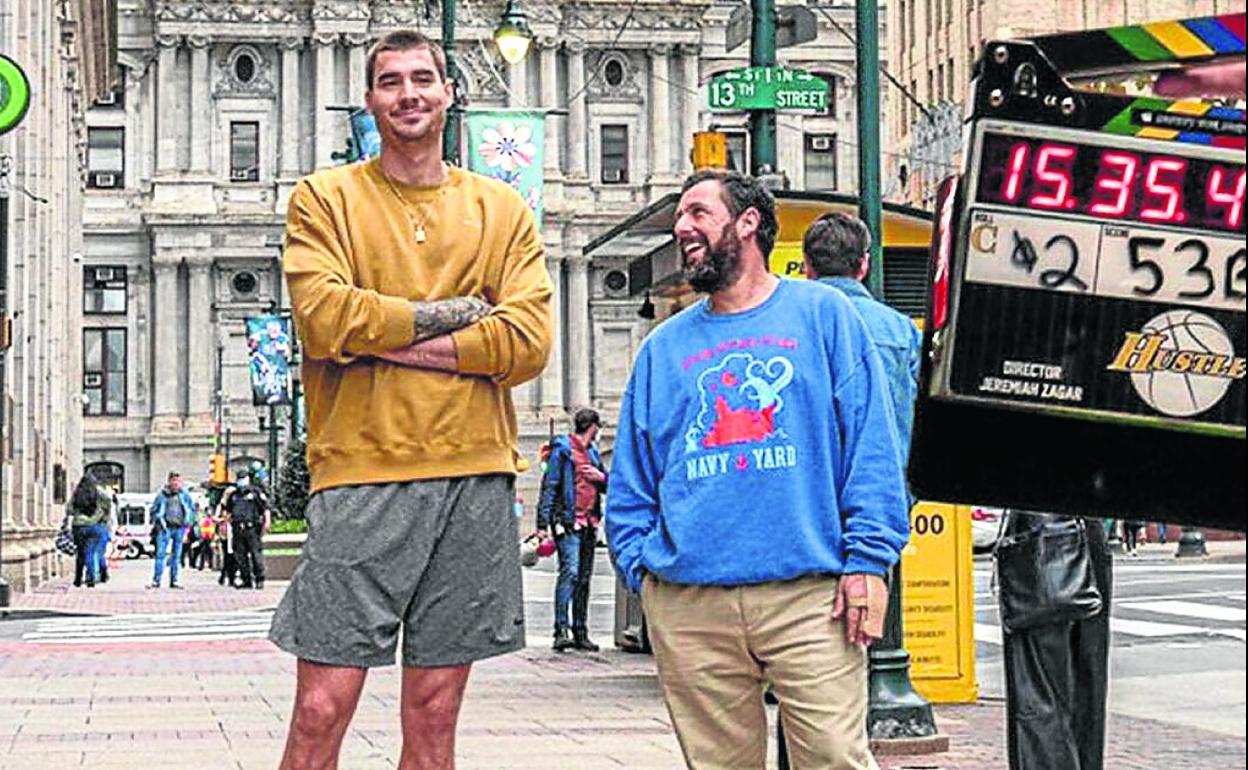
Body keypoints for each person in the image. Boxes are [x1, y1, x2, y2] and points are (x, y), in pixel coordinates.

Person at [268, 29, 552, 770]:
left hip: (474, 472)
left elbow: (525, 343)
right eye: (390, 82)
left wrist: (379, 333)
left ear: (450, 93)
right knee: (320, 709)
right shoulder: (325, 199)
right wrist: (462, 315)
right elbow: (324, 318)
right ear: (370, 100)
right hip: (361, 471)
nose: (409, 95)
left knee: (435, 715)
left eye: (423, 78)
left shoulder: (501, 208)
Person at [606, 170, 910, 770]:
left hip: (811, 598)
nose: (682, 228)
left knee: (833, 758)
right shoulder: (663, 348)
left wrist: (869, 562)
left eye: (698, 213)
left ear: (748, 224)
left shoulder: (824, 316)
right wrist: (643, 573)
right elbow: (633, 477)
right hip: (690, 601)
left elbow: (871, 446)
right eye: (680, 216)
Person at [803, 212, 922, 468]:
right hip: (887, 485)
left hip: (813, 492)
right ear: (864, 264)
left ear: (807, 267)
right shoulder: (901, 330)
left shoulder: (790, 328)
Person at [536, 408, 608, 652]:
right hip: (567, 521)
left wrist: (601, 477)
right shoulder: (564, 451)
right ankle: (561, 630)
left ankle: (580, 630)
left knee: (584, 578)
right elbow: (550, 485)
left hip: (589, 522)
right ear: (593, 427)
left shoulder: (594, 454)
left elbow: (607, 484)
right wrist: (542, 525)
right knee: (570, 572)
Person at [218, 469, 272, 589]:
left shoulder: (255, 493)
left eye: (243, 478)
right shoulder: (234, 495)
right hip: (237, 528)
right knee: (240, 556)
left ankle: (259, 579)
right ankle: (246, 580)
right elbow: (227, 511)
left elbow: (265, 508)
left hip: (251, 528)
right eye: (239, 478)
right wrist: (223, 525)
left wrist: (267, 522)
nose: (241, 481)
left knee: (255, 554)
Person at [149, 472, 196, 589]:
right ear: (169, 481)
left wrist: (188, 525)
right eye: (174, 481)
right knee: (160, 554)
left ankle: (174, 580)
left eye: (178, 481)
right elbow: (154, 510)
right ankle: (156, 580)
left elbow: (191, 510)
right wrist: (158, 521)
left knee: (177, 556)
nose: (176, 484)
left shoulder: (184, 495)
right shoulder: (162, 495)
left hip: (179, 528)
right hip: (165, 528)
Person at [67, 476, 106, 588]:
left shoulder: (76, 494)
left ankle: (78, 579)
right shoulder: (97, 494)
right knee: (90, 552)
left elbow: (69, 509)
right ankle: (90, 579)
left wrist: (78, 514)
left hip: (78, 526)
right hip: (92, 526)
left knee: (80, 553)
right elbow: (104, 507)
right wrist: (95, 519)